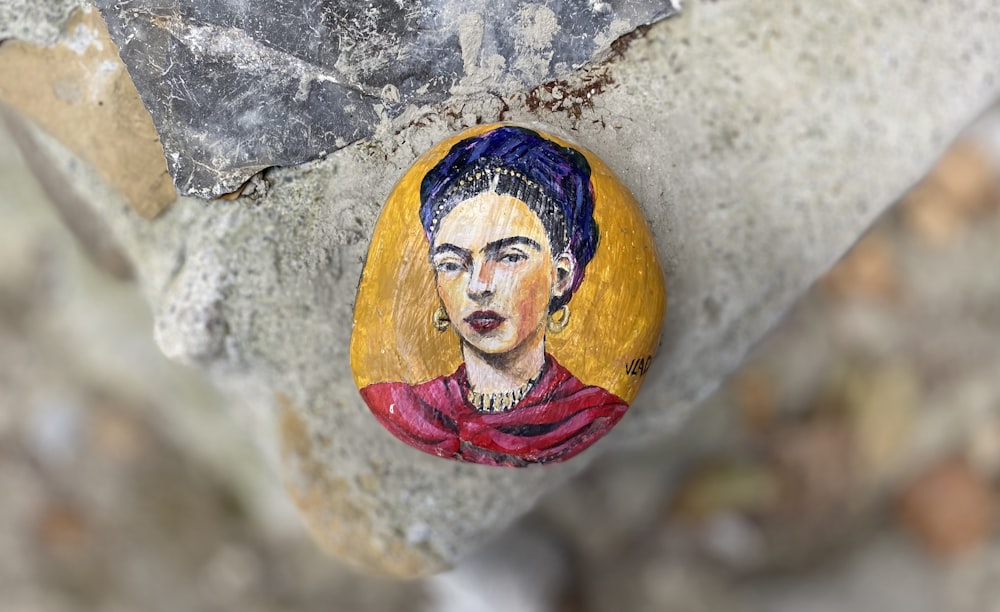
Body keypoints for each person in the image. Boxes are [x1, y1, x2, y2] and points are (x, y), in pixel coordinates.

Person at [360, 126, 627, 466]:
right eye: (452, 263)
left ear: (560, 276)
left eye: (510, 257)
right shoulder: (406, 408)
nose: (478, 286)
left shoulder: (592, 414)